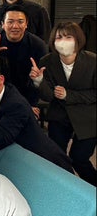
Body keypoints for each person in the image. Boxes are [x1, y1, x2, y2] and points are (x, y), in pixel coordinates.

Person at [0, 59, 73, 172]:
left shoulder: (15, 104)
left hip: (49, 163)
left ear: (1, 79)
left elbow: (1, 141)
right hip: (24, 160)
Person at [32, 22, 96, 185]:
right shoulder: (47, 61)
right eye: (59, 37)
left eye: (68, 37)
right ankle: (66, 188)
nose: (63, 41)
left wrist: (69, 95)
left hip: (88, 117)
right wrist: (39, 81)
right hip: (59, 115)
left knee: (79, 159)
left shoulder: (92, 61)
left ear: (78, 39)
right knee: (56, 157)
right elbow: (48, 96)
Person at [0, 5, 48, 115]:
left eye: (20, 22)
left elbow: (40, 81)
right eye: (10, 22)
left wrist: (30, 104)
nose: (15, 26)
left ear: (26, 24)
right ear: (3, 24)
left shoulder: (38, 45)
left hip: (27, 97)